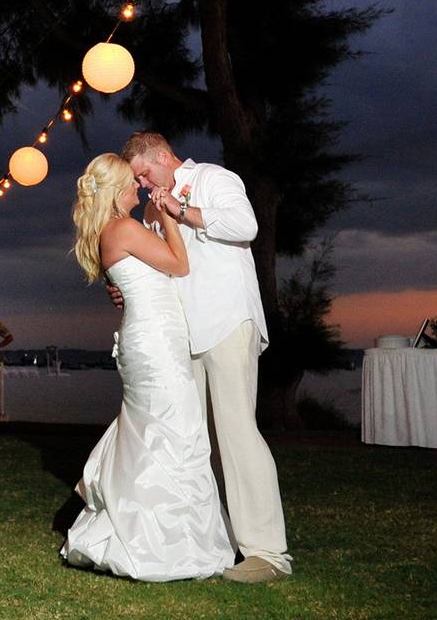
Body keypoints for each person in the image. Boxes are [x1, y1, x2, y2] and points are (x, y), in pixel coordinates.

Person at [113, 131, 291, 583]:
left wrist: (183, 210)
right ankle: (218, 542)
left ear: (163, 156)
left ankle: (268, 553)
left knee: (236, 432)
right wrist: (126, 285)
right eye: (137, 179)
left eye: (144, 173)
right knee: (196, 440)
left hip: (228, 321)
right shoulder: (154, 208)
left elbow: (246, 226)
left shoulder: (213, 178)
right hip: (184, 335)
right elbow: (167, 266)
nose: (144, 184)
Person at [61, 152, 233, 581]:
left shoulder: (114, 230)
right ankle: (157, 543)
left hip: (155, 336)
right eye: (132, 183)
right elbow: (179, 263)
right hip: (154, 340)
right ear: (118, 189)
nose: (139, 187)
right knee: (172, 426)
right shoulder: (123, 227)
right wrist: (168, 216)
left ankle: (167, 532)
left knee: (161, 427)